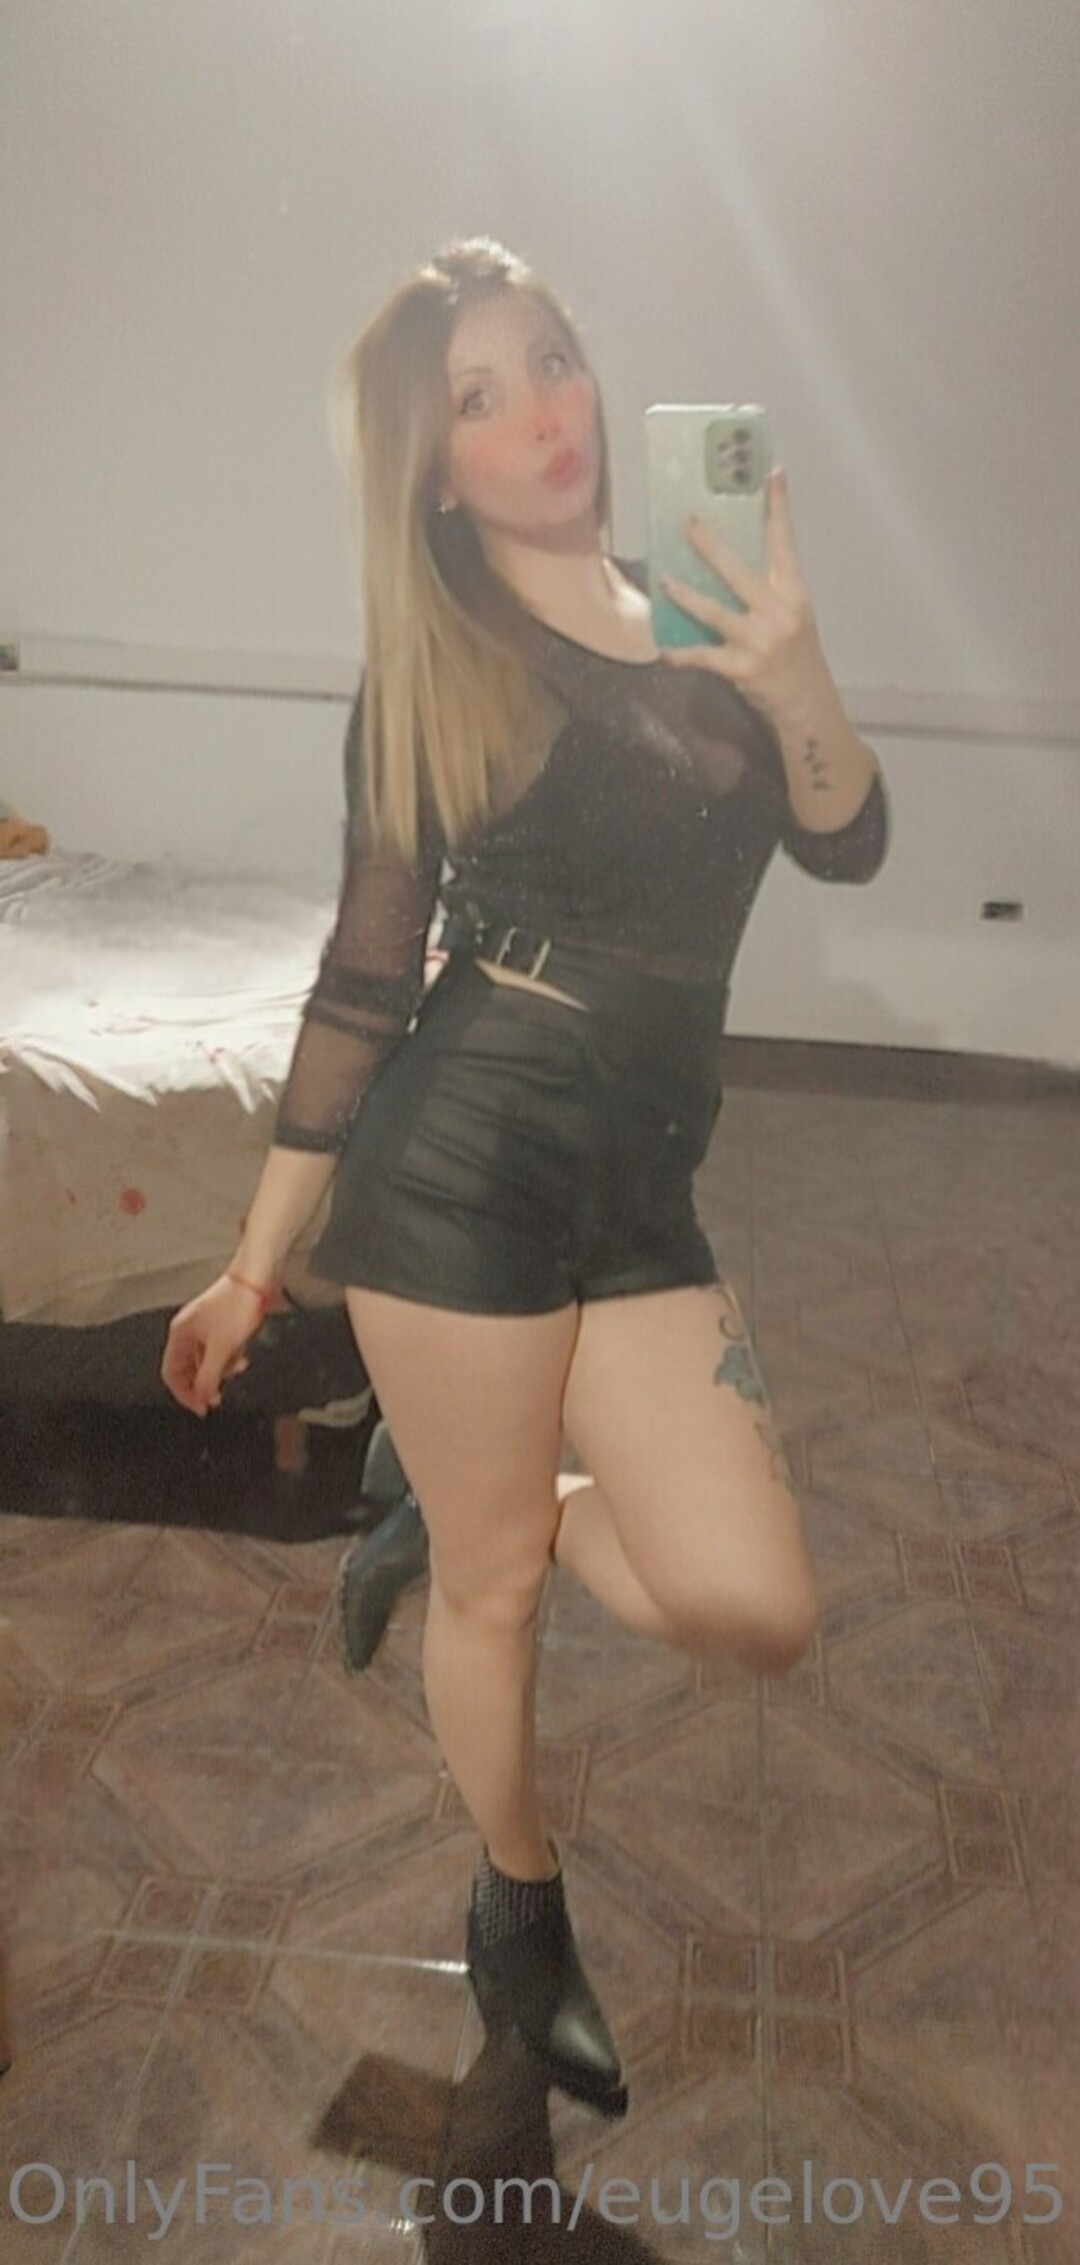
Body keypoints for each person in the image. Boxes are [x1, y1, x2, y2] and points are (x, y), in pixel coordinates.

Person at [161, 235, 889, 2119]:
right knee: (493, 1607)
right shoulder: (440, 664)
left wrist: (795, 666)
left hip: (643, 1193)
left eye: (551, 361)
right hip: (461, 1170)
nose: (544, 415)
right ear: (435, 468)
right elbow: (360, 986)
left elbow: (851, 841)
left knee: (755, 1605)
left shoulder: (705, 615)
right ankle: (520, 1903)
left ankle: (466, 1503)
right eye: (480, 398)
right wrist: (253, 1267)